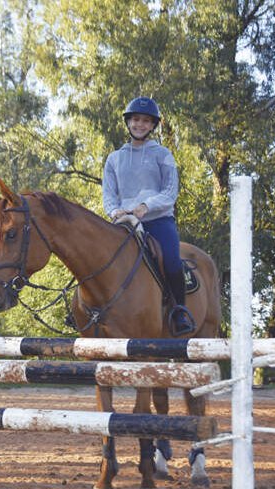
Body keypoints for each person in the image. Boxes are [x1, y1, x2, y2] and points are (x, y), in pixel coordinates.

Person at [101, 96, 195, 336]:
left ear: (153, 125)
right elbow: (109, 195)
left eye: (145, 121)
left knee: (172, 260)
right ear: (128, 122)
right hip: (124, 223)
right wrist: (114, 211)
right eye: (135, 119)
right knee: (97, 256)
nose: (139, 124)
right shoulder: (114, 159)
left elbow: (170, 191)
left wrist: (146, 205)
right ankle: (89, 309)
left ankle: (180, 311)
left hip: (158, 220)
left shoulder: (163, 154)